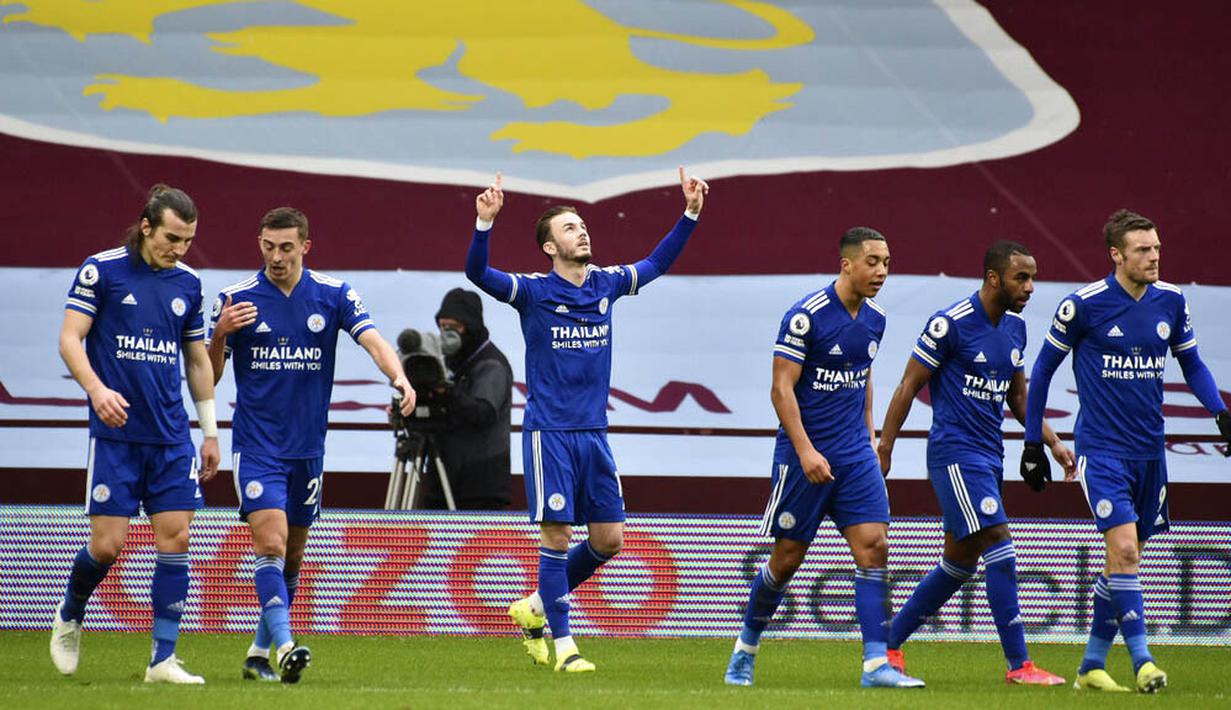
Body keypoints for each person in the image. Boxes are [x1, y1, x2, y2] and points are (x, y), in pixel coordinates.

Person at [466, 168, 708, 672]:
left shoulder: (606, 283)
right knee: (556, 535)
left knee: (608, 540)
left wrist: (689, 213)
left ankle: (534, 608)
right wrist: (484, 225)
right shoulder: (532, 292)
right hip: (549, 433)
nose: (582, 231)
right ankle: (565, 646)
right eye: (570, 227)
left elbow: (657, 263)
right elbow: (478, 275)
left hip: (594, 434)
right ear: (550, 248)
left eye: (582, 224)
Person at [1022, 210, 1231, 693]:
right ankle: (1143, 662)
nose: (1154, 256)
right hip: (1102, 450)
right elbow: (1043, 371)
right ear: (1116, 255)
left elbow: (1193, 363)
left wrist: (1220, 412)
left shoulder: (1172, 301)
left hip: (1150, 453)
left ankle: (1091, 666)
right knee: (1125, 550)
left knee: (1123, 563)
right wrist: (1035, 443)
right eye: (1142, 249)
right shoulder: (1085, 306)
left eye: (1156, 247)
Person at [207, 207, 415, 683]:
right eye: (267, 246)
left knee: (294, 555)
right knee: (271, 542)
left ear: (305, 245)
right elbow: (210, 374)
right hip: (257, 447)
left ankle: (259, 653)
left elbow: (373, 340)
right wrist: (219, 334)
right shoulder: (235, 299)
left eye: (285, 247)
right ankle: (286, 645)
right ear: (259, 243)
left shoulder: (334, 293)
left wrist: (399, 375)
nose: (276, 257)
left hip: (308, 450)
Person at [725, 227, 924, 689]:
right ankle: (745, 650)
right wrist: (806, 450)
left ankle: (876, 665)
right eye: (873, 262)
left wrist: (871, 437)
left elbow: (864, 377)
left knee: (874, 547)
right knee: (788, 557)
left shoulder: (875, 318)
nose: (881, 272)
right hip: (804, 458)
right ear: (847, 264)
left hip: (855, 456)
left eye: (887, 263)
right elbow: (780, 389)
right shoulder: (806, 317)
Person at [876, 241, 1073, 685]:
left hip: (989, 457)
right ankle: (1020, 666)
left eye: (1033, 277)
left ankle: (888, 645)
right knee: (1001, 545)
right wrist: (885, 445)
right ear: (992, 278)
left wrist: (1053, 443)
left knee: (959, 563)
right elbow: (908, 385)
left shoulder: (1016, 329)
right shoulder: (951, 325)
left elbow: (1020, 399)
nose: (1030, 287)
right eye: (1021, 278)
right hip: (955, 456)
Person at [52, 184, 219, 684]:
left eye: (188, 240)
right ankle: (71, 612)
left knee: (177, 537)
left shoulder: (188, 284)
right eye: (172, 237)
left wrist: (209, 432)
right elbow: (69, 339)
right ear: (146, 227)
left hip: (171, 436)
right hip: (116, 435)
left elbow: (196, 361)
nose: (179, 249)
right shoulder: (101, 271)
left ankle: (161, 660)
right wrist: (97, 390)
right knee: (107, 546)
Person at [420, 287, 513, 509]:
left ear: (470, 327)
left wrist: (446, 391)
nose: (446, 334)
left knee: (479, 545)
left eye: (453, 327)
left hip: (481, 487)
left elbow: (482, 412)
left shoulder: (492, 364)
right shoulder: (447, 361)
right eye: (442, 327)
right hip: (443, 479)